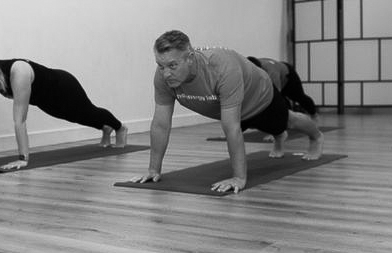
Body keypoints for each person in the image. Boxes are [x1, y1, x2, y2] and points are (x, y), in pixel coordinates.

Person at [130, 30, 323, 194]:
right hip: (230, 107)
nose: (165, 73)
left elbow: (231, 127)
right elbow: (161, 125)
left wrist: (239, 178)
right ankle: (279, 136)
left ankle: (316, 137)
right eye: (160, 65)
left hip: (259, 97)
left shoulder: (221, 68)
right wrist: (153, 170)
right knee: (272, 127)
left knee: (287, 120)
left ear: (190, 58)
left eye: (172, 65)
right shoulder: (163, 78)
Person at [0, 54, 128, 171]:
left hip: (64, 88)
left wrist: (23, 159)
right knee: (75, 117)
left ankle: (119, 128)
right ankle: (105, 129)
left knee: (88, 112)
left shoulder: (18, 71)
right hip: (45, 100)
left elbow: (20, 120)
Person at [246, 56, 318, 117]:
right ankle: (288, 119)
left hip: (288, 76)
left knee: (299, 97)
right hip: (278, 73)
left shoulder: (271, 71)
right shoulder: (250, 68)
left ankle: (314, 114)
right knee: (282, 100)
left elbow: (276, 95)